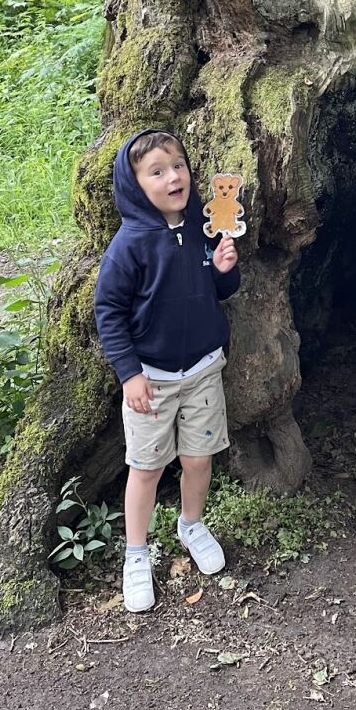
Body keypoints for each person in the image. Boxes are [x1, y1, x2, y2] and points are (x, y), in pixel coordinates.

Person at [94, 128, 240, 612]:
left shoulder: (204, 226)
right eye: (156, 171)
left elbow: (223, 291)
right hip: (150, 379)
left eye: (177, 165)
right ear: (135, 185)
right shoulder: (130, 244)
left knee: (199, 458)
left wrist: (223, 267)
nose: (173, 176)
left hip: (201, 369)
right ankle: (136, 553)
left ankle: (191, 524)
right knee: (147, 467)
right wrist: (129, 373)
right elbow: (109, 311)